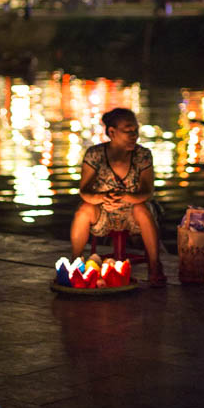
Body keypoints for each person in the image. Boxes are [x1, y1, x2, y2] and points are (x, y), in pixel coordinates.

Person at [70, 107, 167, 286]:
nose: (134, 135)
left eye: (135, 131)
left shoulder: (143, 155)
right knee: (83, 210)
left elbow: (147, 191)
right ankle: (75, 264)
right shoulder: (95, 154)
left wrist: (128, 197)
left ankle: (155, 266)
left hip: (133, 213)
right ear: (112, 132)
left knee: (142, 209)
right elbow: (84, 191)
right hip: (103, 213)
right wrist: (102, 197)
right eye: (128, 131)